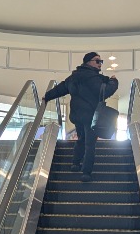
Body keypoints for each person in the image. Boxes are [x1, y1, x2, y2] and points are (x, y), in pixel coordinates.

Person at [43, 52, 118, 182]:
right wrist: (114, 82)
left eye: (101, 61)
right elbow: (105, 91)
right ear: (88, 62)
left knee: (81, 139)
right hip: (91, 116)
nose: (100, 64)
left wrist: (47, 96)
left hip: (77, 116)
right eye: (97, 61)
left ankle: (75, 163)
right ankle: (86, 172)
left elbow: (61, 88)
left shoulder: (74, 77)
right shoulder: (93, 78)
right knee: (90, 144)